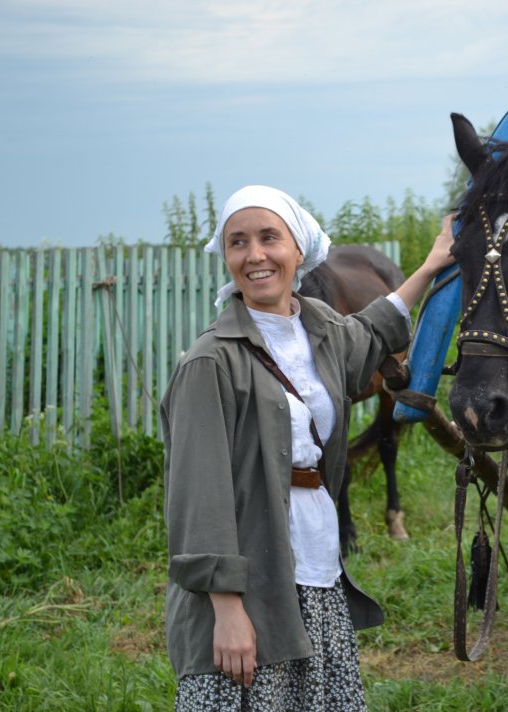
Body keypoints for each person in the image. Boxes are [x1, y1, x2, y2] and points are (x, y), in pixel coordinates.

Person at [161, 185, 455, 711]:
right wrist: (226, 611)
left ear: (300, 249)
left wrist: (433, 264)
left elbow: (373, 329)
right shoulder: (210, 362)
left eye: (269, 237)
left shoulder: (318, 331)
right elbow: (197, 498)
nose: (254, 255)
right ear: (225, 256)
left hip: (317, 567)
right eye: (238, 242)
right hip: (250, 582)